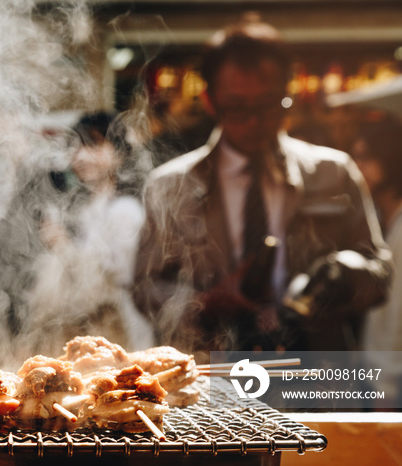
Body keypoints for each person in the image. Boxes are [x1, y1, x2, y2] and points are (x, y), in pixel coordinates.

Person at [132, 14, 391, 357]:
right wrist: (206, 302)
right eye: (237, 108)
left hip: (315, 371)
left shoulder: (333, 172)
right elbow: (145, 289)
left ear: (288, 93)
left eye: (268, 105)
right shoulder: (171, 185)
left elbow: (379, 273)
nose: (253, 121)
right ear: (211, 101)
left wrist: (347, 277)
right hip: (214, 374)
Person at [25, 112, 152, 352]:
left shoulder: (125, 211)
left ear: (120, 153)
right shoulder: (82, 209)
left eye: (94, 144)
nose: (81, 155)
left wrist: (63, 247)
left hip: (120, 335)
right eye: (76, 146)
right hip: (89, 336)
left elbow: (117, 284)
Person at [352, 116, 402, 409]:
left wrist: (385, 385)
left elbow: (395, 314)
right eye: (355, 156)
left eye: (366, 158)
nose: (358, 168)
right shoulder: (384, 220)